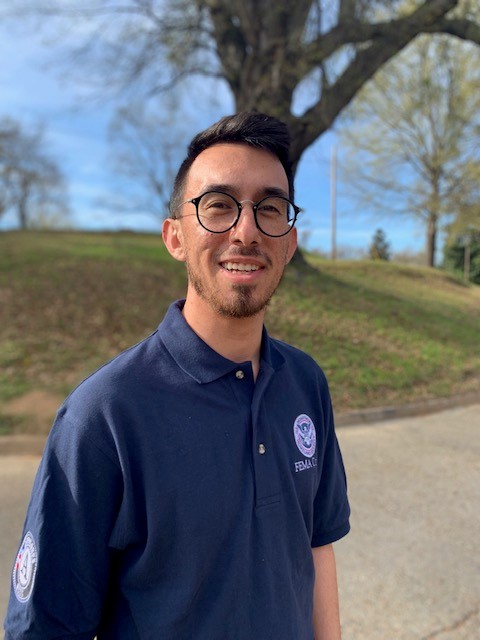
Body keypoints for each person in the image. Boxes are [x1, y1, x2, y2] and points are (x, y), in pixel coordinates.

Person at [4, 111, 350, 639]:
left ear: (290, 241)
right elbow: (45, 627)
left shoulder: (306, 383)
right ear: (175, 238)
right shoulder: (105, 414)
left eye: (270, 209)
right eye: (218, 207)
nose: (246, 230)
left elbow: (316, 544)